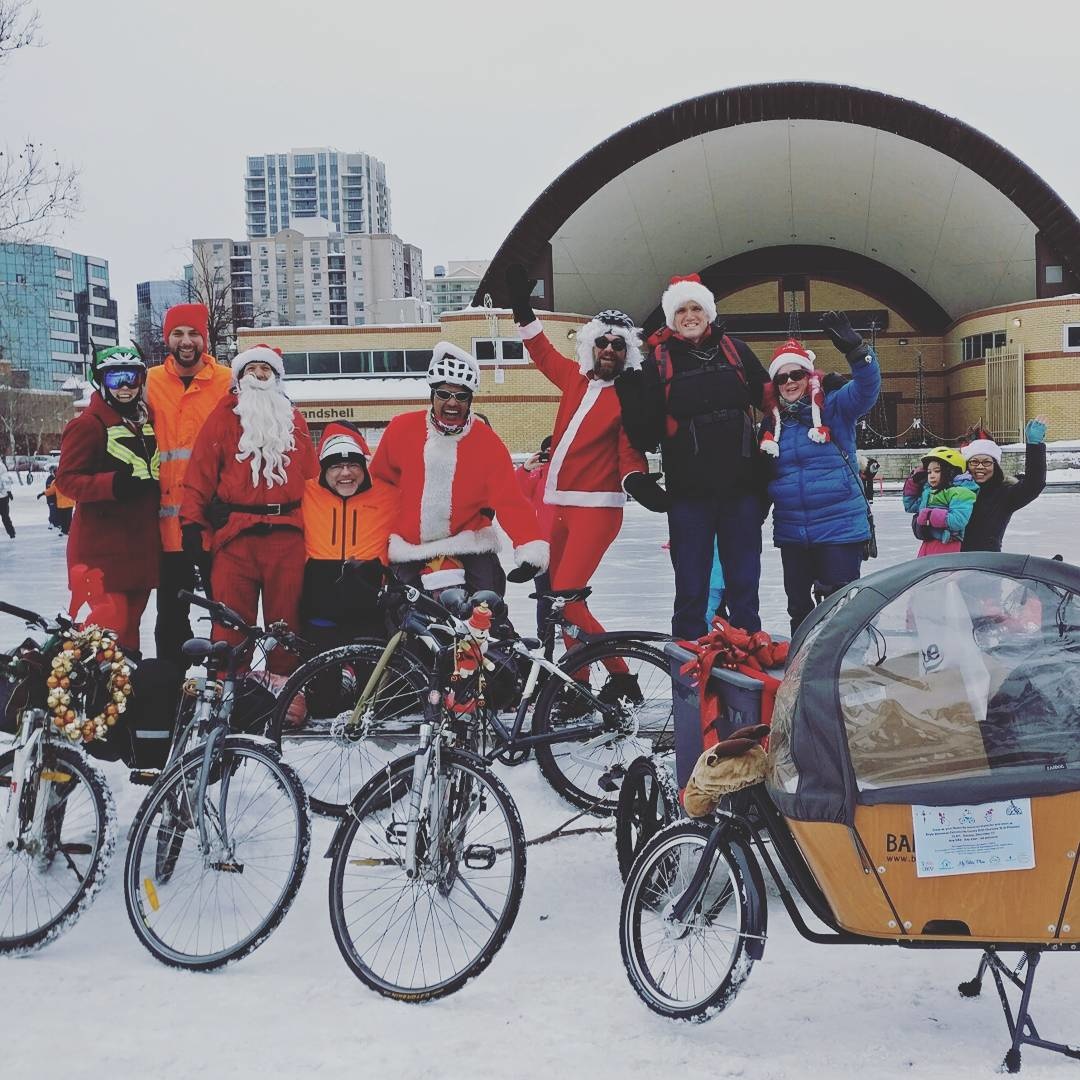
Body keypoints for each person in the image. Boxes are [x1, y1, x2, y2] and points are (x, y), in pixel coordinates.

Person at [506, 265, 655, 685]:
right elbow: (541, 351)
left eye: (618, 345)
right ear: (592, 345)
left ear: (628, 353)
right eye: (603, 341)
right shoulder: (573, 377)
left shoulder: (628, 396)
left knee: (569, 598)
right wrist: (522, 308)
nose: (609, 349)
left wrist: (638, 481)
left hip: (595, 509)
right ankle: (579, 683)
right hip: (555, 504)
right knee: (557, 600)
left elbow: (629, 452)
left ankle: (621, 676)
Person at [619, 273, 769, 638]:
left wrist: (768, 449)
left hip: (741, 491)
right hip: (689, 497)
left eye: (696, 307)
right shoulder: (658, 363)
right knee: (691, 587)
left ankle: (746, 663)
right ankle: (687, 669)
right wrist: (629, 394)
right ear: (672, 318)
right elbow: (644, 434)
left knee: (744, 586)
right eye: (681, 309)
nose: (689, 315)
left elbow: (773, 401)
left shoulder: (736, 351)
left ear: (709, 312)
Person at [369, 342, 548, 596]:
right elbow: (378, 487)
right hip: (409, 547)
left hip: (468, 543)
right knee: (404, 620)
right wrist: (369, 544)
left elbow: (511, 500)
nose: (452, 403)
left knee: (489, 612)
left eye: (461, 396)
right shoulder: (401, 429)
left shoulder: (487, 442)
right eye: (444, 394)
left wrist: (529, 546)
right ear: (432, 396)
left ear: (470, 400)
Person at [180, 345, 317, 673]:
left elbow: (312, 479)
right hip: (236, 534)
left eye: (265, 369)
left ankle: (286, 695)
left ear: (276, 377)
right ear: (240, 377)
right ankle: (229, 696)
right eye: (251, 369)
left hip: (287, 534)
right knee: (231, 621)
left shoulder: (292, 420)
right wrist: (192, 524)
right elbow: (198, 474)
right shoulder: (223, 416)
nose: (258, 375)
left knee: (286, 625)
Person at [759, 315, 881, 632]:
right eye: (781, 378)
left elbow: (867, 388)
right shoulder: (771, 425)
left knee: (841, 609)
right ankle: (803, 672)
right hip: (793, 533)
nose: (789, 382)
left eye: (796, 373)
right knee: (799, 609)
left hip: (839, 528)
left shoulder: (833, 407)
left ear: (808, 374)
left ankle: (847, 670)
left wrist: (857, 350)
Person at [54, 346, 161, 652]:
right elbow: (67, 480)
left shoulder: (147, 421)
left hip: (140, 550)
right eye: (116, 378)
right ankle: (79, 688)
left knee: (129, 630)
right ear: (100, 381)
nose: (125, 386)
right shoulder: (87, 425)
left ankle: (124, 695)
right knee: (110, 626)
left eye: (132, 377)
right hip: (102, 553)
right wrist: (111, 484)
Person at [146, 302, 232, 667]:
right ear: (167, 338)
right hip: (166, 527)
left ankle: (225, 688)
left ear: (205, 339)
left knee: (225, 614)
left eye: (194, 333)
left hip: (215, 520)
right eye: (178, 334)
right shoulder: (148, 382)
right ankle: (171, 690)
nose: (186, 341)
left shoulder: (228, 381)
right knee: (169, 616)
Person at [300, 421, 398, 648]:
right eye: (336, 466)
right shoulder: (304, 493)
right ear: (323, 469)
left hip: (370, 612)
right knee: (322, 681)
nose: (346, 473)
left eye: (353, 464)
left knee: (369, 681)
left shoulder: (389, 495)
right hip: (319, 611)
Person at [961, 420, 1048, 552]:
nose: (980, 467)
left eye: (986, 462)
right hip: (952, 563)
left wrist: (1034, 446)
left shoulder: (1004, 495)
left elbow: (1034, 484)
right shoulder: (955, 490)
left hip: (988, 564)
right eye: (974, 462)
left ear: (995, 466)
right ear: (967, 465)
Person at [902, 446, 978, 556]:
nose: (931, 476)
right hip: (927, 544)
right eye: (929, 472)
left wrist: (929, 515)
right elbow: (910, 505)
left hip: (947, 545)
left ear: (951, 471)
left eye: (937, 471)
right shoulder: (929, 491)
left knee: (942, 573)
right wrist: (913, 482)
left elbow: (957, 520)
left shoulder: (961, 492)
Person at [515, 434, 556, 635]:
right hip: (542, 547)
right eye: (546, 452)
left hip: (567, 545)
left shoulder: (568, 471)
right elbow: (516, 493)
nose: (550, 456)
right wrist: (526, 469)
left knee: (571, 597)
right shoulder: (536, 474)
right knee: (544, 597)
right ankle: (545, 642)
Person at [0, 461, 14, 539]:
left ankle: (11, 533)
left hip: (2, 496)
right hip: (3, 496)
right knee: (5, 517)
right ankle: (11, 532)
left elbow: (5, 478)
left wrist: (8, 491)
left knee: (5, 517)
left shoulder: (1, 466)